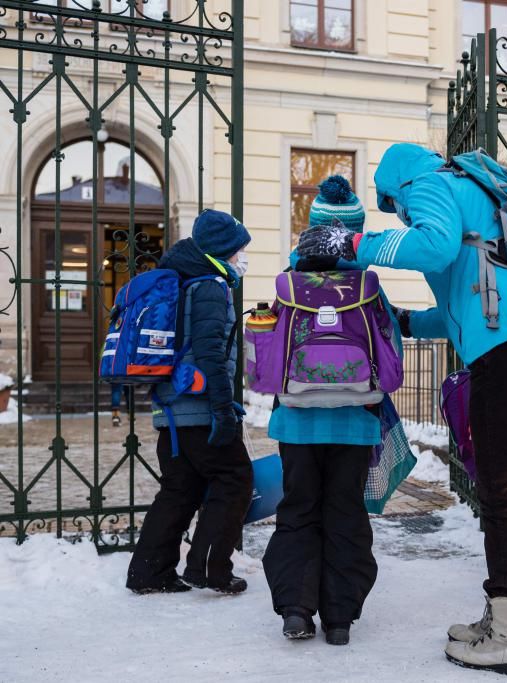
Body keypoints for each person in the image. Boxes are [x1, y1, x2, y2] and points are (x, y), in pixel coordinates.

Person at [295, 144, 507, 676]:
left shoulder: (428, 184)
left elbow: (433, 248)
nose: (398, 215)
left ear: (393, 184)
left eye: (392, 205)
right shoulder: (475, 193)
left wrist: (354, 243)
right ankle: (502, 618)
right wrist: (406, 322)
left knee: (501, 492)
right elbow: (462, 300)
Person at [262, 176, 394, 647]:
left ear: (309, 230)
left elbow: (271, 353)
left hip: (296, 420)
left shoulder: (289, 284)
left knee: (298, 510)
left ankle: (297, 610)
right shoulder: (367, 285)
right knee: (345, 511)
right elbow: (390, 348)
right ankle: (339, 617)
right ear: (352, 233)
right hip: (356, 422)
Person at [126, 209, 253, 595]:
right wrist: (222, 408)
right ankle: (209, 568)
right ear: (221, 251)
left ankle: (149, 572)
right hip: (199, 409)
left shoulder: (179, 279)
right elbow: (210, 351)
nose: (241, 259)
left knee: (180, 490)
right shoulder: (210, 285)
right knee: (235, 479)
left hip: (171, 409)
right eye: (238, 252)